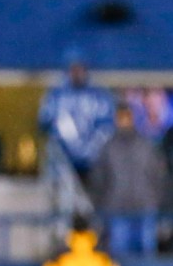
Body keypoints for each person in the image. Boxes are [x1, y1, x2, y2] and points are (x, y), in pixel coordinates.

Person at [38, 48, 116, 228]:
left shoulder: (99, 95)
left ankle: (97, 239)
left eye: (80, 68)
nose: (77, 72)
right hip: (64, 164)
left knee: (95, 207)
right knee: (64, 205)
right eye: (73, 68)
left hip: (94, 164)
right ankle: (62, 239)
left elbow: (107, 126)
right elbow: (45, 123)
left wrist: (90, 150)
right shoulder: (56, 95)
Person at [89, 101, 166, 256]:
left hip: (145, 208)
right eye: (121, 117)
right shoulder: (108, 148)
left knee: (147, 255)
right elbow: (98, 180)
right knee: (120, 256)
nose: (124, 121)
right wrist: (104, 204)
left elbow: (158, 176)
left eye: (127, 117)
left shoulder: (146, 146)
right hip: (117, 209)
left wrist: (154, 200)